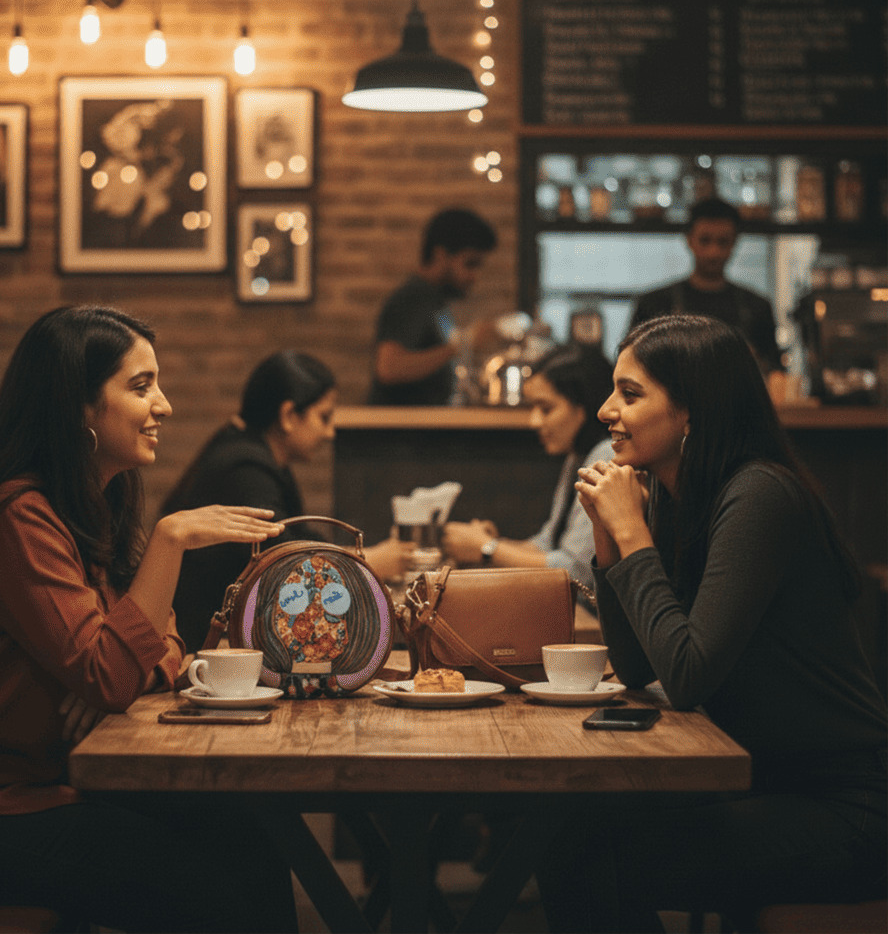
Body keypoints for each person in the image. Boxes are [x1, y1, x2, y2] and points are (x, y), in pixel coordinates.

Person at [0, 306, 296, 933]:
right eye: (141, 386)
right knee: (203, 886)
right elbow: (110, 670)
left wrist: (117, 670)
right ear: (78, 406)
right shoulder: (17, 514)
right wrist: (171, 539)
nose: (164, 405)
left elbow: (163, 647)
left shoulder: (89, 505)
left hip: (44, 781)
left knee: (249, 834)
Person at [538, 313, 886, 932]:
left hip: (845, 806)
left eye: (630, 393)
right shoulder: (678, 497)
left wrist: (631, 534)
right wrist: (611, 543)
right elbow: (644, 666)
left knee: (592, 857)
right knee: (567, 828)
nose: (604, 410)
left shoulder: (759, 495)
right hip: (761, 780)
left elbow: (689, 673)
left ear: (692, 411)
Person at [162, 349, 414, 651]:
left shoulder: (253, 453)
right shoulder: (245, 468)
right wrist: (368, 562)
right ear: (288, 416)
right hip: (205, 648)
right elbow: (284, 563)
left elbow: (299, 537)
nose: (330, 432)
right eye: (324, 417)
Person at [441, 344, 614, 594]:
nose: (534, 421)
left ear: (583, 406)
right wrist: (489, 543)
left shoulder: (605, 458)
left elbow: (577, 572)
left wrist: (487, 549)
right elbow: (546, 545)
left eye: (546, 408)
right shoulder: (577, 455)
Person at [629, 197, 783, 376]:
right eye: (705, 240)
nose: (713, 252)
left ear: (735, 242)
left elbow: (775, 373)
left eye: (722, 242)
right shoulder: (654, 304)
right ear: (689, 240)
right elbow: (632, 367)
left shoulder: (757, 307)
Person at [369, 207, 497, 405]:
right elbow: (389, 368)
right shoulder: (413, 298)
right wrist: (464, 343)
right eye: (470, 264)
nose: (475, 276)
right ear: (440, 255)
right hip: (401, 432)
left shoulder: (434, 301)